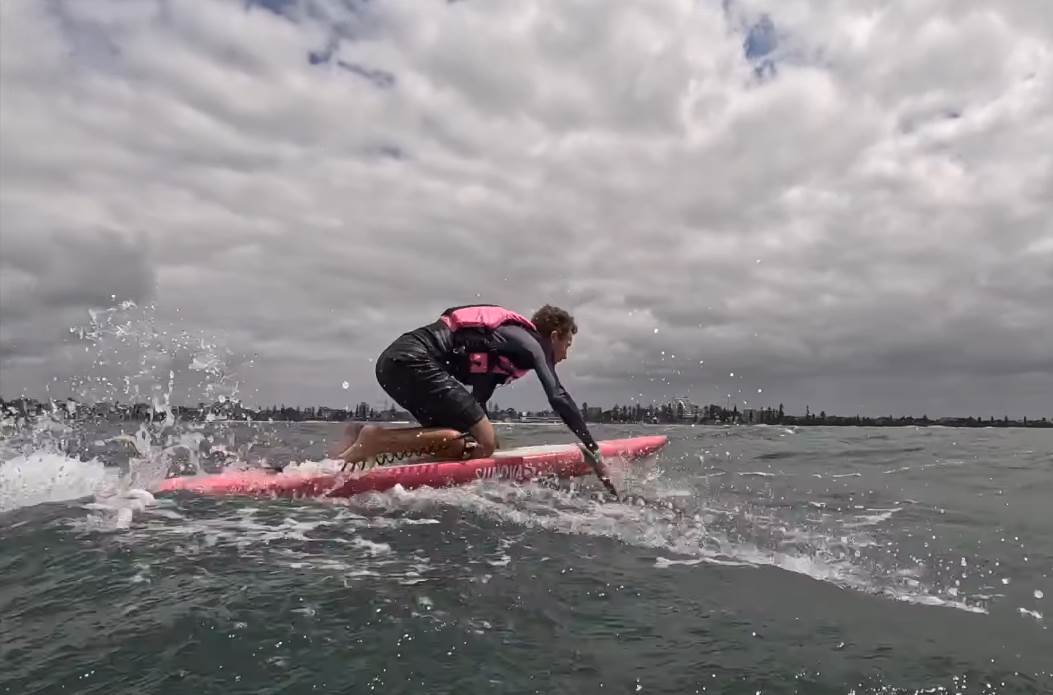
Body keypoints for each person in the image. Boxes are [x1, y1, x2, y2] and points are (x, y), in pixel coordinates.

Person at [331, 303, 609, 481]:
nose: (566, 355)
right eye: (567, 345)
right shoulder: (530, 343)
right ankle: (376, 439)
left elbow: (478, 402)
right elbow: (557, 396)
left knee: (462, 443)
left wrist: (489, 449)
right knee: (484, 442)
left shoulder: (502, 348)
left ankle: (366, 444)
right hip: (413, 360)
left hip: (393, 364)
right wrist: (594, 451)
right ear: (554, 336)